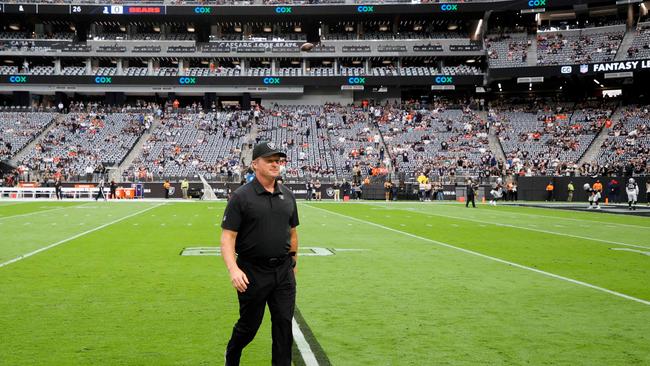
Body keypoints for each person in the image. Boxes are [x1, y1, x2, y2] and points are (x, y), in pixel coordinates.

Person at [221, 141, 299, 366]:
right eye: (270, 160)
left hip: (283, 271)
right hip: (252, 271)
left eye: (278, 161)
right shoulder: (241, 197)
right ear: (255, 164)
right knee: (249, 327)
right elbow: (228, 238)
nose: (276, 165)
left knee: (284, 325)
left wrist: (293, 265)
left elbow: (292, 233)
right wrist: (233, 269)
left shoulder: (288, 195)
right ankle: (232, 353)